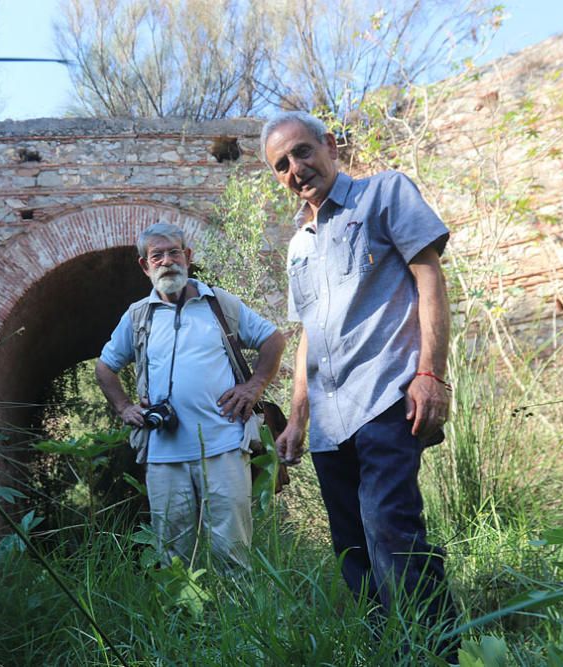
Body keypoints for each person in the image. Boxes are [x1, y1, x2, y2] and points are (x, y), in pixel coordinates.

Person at [261, 111, 457, 634]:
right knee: (352, 547)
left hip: (386, 397)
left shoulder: (384, 193)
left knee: (389, 528)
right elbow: (309, 333)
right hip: (328, 420)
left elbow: (429, 279)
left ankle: (434, 647)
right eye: (282, 165)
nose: (296, 169)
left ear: (328, 144)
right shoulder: (298, 245)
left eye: (302, 151)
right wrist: (297, 419)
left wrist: (431, 375)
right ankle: (385, 644)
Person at [95, 222, 284, 568]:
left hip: (225, 447)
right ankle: (184, 621)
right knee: (174, 557)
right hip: (163, 455)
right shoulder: (139, 316)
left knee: (232, 553)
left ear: (188, 257)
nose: (167, 261)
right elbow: (105, 368)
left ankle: (237, 621)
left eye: (174, 252)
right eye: (157, 255)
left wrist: (253, 386)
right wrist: (123, 407)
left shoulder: (219, 304)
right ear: (145, 266)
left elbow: (273, 340)